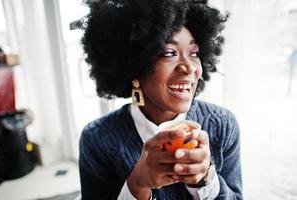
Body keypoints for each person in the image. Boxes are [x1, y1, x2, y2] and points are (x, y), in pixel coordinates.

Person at [79, 0, 242, 199]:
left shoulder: (223, 124)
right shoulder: (97, 139)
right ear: (134, 66)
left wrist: (206, 180)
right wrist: (137, 185)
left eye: (194, 53)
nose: (190, 67)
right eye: (169, 53)